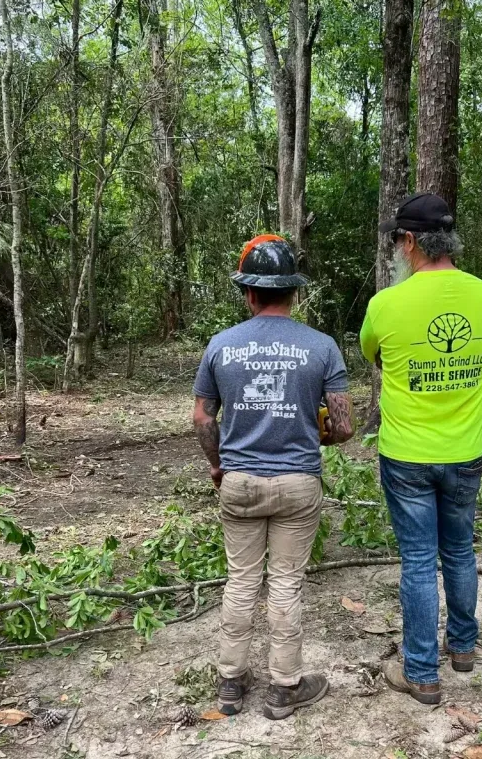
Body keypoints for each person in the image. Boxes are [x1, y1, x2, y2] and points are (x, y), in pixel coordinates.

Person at [193, 235, 355, 720]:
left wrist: (218, 465)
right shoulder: (322, 347)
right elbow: (344, 425)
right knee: (286, 582)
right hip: (298, 484)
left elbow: (202, 418)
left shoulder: (221, 345)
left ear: (249, 293)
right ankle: (284, 688)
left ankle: (231, 682)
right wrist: (316, 436)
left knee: (241, 580)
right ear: (294, 292)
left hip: (239, 481)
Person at [360, 192, 482, 704]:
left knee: (419, 560)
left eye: (399, 240)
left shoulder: (386, 304)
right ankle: (462, 648)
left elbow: (374, 355)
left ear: (411, 242)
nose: (399, 248)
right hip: (465, 450)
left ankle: (421, 673)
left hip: (407, 454)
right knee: (459, 549)